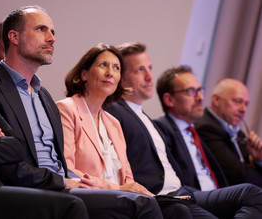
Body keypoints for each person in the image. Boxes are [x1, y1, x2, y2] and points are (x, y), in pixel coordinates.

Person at [0, 6, 163, 219]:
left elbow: (61, 162)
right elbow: (6, 165)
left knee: (151, 202)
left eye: (53, 32)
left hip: (63, 185)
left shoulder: (42, 95)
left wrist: (82, 182)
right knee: (141, 205)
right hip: (34, 189)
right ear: (14, 37)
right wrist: (67, 181)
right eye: (41, 29)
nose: (52, 39)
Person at [105, 42, 262, 219]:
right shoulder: (114, 111)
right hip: (166, 197)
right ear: (121, 77)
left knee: (252, 193)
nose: (150, 76)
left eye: (150, 68)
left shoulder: (144, 117)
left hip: (185, 191)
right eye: (140, 70)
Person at [0, 1, 89, 219]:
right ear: (14, 37)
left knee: (141, 203)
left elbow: (15, 147)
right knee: (71, 207)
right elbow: (6, 159)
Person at [56, 43, 191, 219]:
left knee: (177, 210)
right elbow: (68, 169)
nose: (110, 72)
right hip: (88, 195)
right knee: (145, 206)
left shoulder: (113, 123)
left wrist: (135, 188)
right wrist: (117, 188)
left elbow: (127, 176)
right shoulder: (67, 109)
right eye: (103, 65)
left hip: (121, 197)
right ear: (84, 74)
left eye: (116, 68)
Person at [195, 78, 262, 186]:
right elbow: (241, 177)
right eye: (237, 101)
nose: (243, 109)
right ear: (216, 100)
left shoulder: (240, 134)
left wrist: (258, 160)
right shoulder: (206, 128)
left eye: (246, 104)